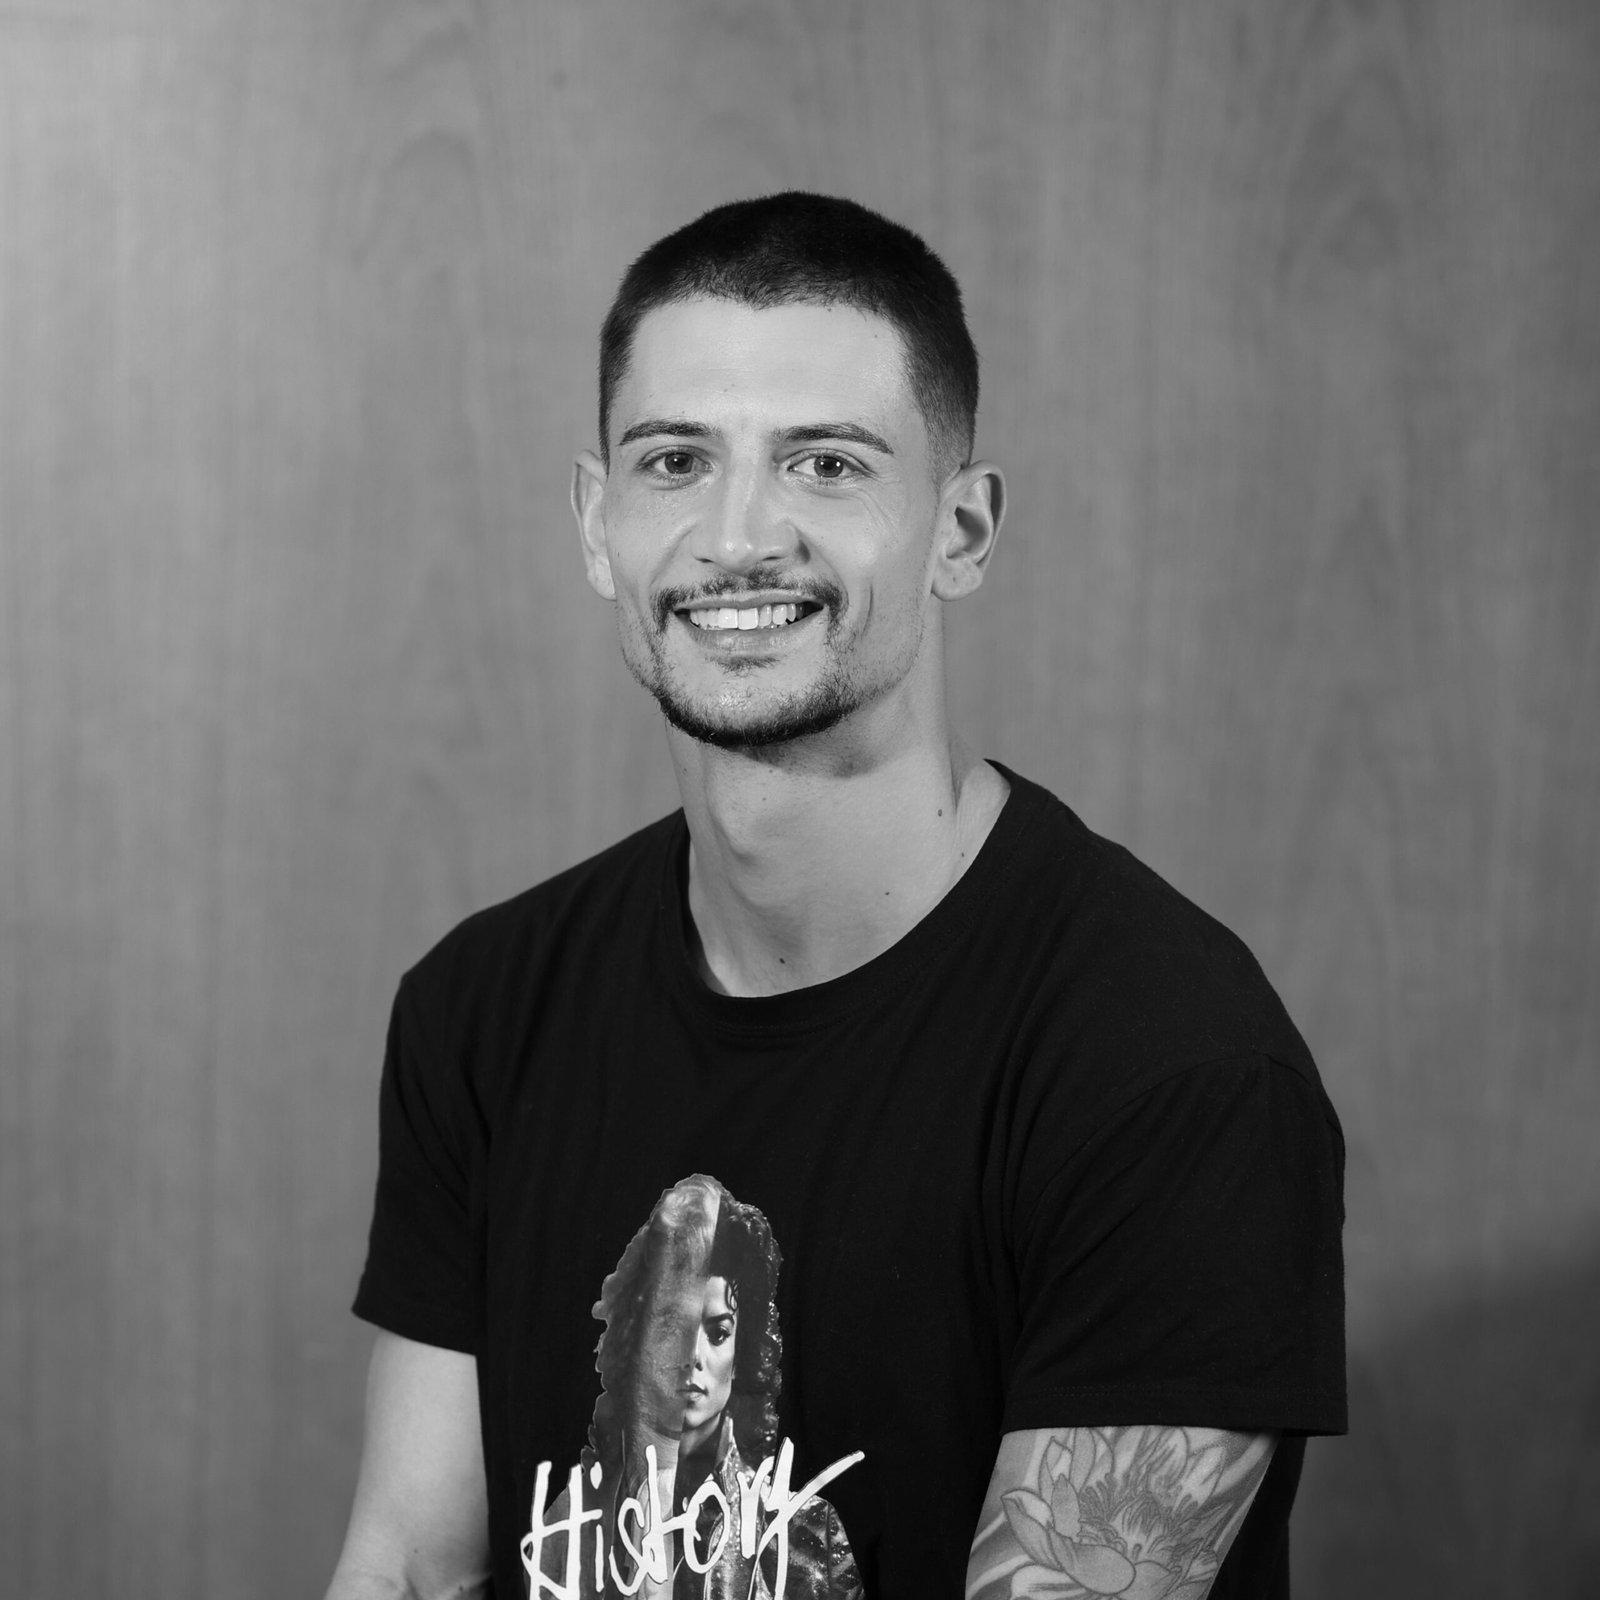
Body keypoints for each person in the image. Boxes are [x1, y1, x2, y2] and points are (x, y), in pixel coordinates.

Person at [325, 192, 1345, 1600]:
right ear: (598, 523)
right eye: (675, 460)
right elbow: (411, 1566)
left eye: (824, 464)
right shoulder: (484, 1007)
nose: (740, 534)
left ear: (961, 531)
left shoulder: (1169, 1066)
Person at [529, 1175, 861, 1598]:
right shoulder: (570, 1525)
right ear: (637, 1341)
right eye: (673, 1327)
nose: (692, 1355)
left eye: (718, 1332)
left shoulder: (806, 1531)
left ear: (742, 1352)